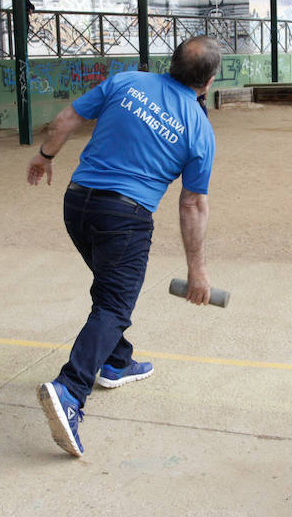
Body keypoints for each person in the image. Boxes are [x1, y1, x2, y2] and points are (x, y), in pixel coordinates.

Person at [27, 35, 222, 457]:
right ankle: (70, 390)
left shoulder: (127, 81)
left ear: (171, 64)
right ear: (208, 81)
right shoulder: (199, 130)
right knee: (114, 304)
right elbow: (192, 205)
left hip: (77, 204)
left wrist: (44, 157)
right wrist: (198, 271)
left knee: (110, 287)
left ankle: (116, 361)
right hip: (125, 218)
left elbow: (64, 120)